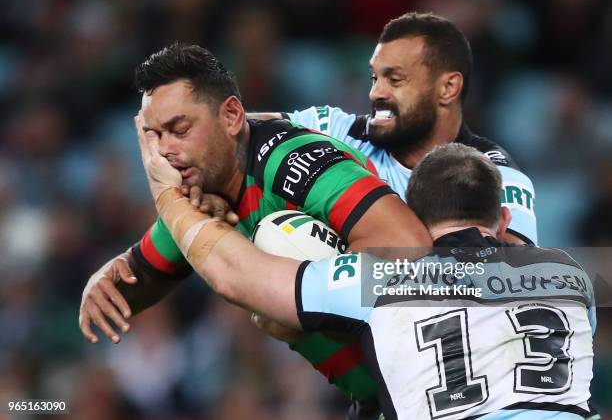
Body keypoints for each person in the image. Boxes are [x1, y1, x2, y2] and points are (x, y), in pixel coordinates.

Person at [138, 134, 595, 420]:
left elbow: (238, 277)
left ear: (414, 220)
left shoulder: (381, 279)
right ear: (503, 217)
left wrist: (169, 198)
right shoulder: (571, 276)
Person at [79, 43, 431, 406]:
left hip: (428, 388)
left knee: (274, 243)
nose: (165, 152)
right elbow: (137, 281)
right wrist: (101, 281)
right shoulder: (197, 197)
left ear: (231, 116)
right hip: (379, 399)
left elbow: (409, 248)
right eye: (154, 136)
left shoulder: (293, 162)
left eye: (179, 129)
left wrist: (302, 297)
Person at [253, 12, 537, 246]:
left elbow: (510, 273)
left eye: (395, 79)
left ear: (448, 88)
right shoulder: (336, 130)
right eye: (375, 77)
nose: (376, 92)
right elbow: (236, 130)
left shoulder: (496, 175)